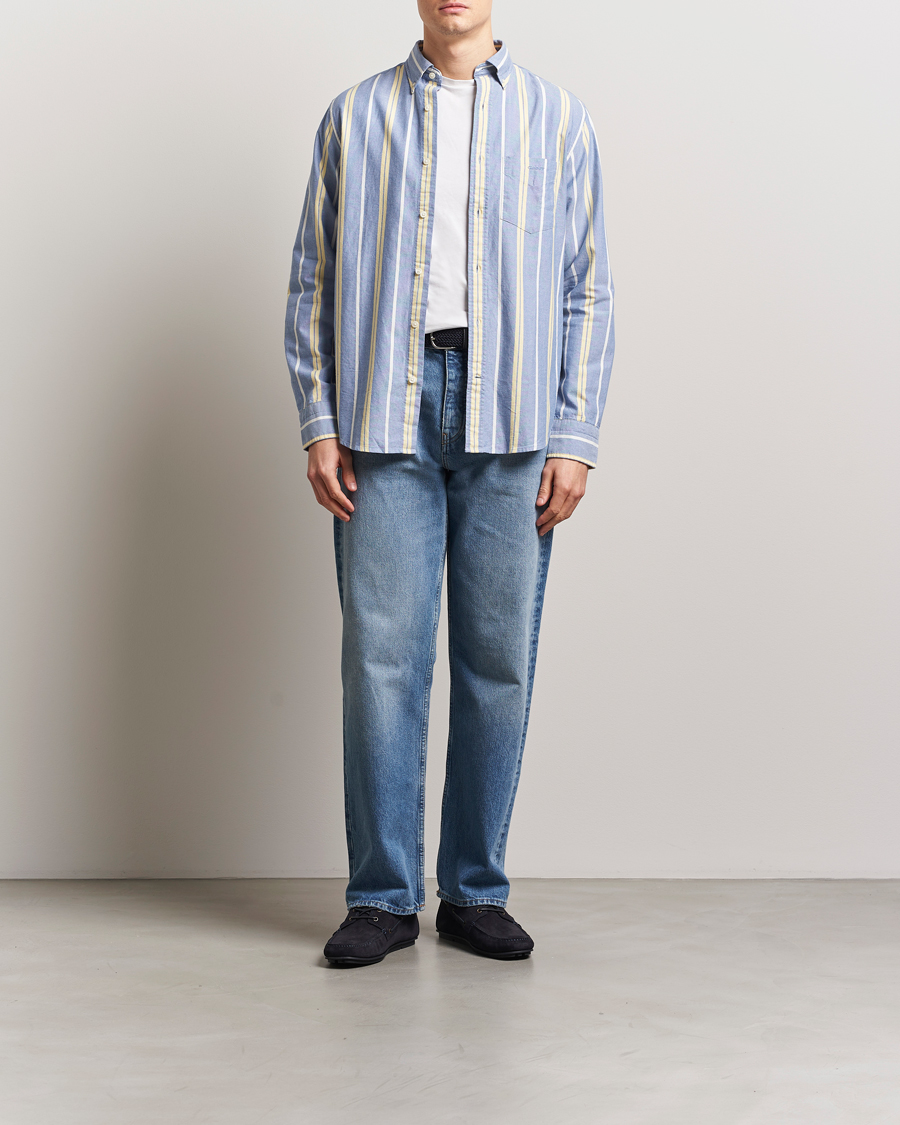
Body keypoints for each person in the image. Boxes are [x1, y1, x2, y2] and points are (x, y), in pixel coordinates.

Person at [284, 0, 614, 967]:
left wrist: (575, 434)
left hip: (513, 413)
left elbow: (587, 287)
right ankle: (382, 898)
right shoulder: (354, 115)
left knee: (498, 660)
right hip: (383, 407)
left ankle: (474, 890)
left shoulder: (559, 118)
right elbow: (312, 279)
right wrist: (318, 419)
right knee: (381, 661)